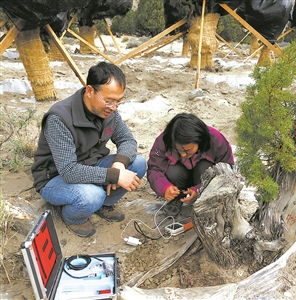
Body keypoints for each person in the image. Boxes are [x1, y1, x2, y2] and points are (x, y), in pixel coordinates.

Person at [31, 62, 146, 238]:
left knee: (137, 164)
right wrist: (114, 176)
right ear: (90, 91)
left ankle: (103, 203)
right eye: (108, 101)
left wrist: (119, 166)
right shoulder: (59, 118)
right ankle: (72, 217)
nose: (114, 107)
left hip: (91, 164)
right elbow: (69, 171)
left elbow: (127, 140)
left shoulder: (110, 112)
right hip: (55, 177)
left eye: (118, 102)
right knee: (91, 196)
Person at [147, 113, 234, 217]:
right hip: (179, 177)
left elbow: (226, 171)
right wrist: (164, 187)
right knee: (172, 171)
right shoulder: (164, 140)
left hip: (203, 179)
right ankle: (178, 198)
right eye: (178, 150)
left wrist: (199, 189)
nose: (183, 154)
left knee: (206, 168)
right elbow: (154, 168)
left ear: (199, 141)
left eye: (188, 150)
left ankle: (202, 199)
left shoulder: (216, 140)